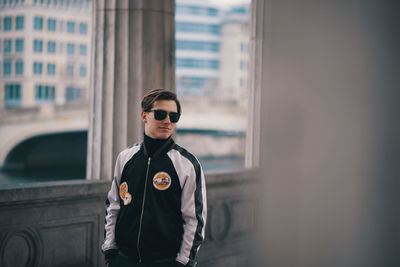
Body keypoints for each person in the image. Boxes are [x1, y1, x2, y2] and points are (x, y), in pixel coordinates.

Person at [102, 89, 207, 267]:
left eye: (174, 116)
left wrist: (183, 262)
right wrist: (110, 250)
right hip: (122, 259)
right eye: (160, 114)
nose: (167, 121)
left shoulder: (187, 164)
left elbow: (194, 220)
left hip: (165, 262)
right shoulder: (125, 157)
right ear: (144, 116)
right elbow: (114, 205)